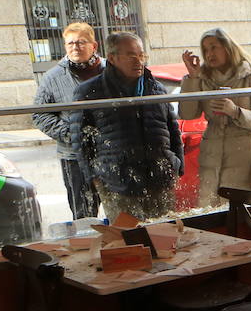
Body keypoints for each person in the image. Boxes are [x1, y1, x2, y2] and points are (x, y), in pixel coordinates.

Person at [72, 32, 184, 222]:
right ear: (113, 58)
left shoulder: (156, 89)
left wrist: (177, 165)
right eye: (131, 55)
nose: (138, 61)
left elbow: (173, 129)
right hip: (118, 183)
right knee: (128, 241)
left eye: (141, 55)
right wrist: (94, 177)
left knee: (166, 237)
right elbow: (80, 139)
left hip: (160, 179)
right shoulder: (89, 91)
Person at [178, 28, 251, 208]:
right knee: (212, 213)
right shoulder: (202, 78)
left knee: (242, 213)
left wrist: (236, 111)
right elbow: (187, 114)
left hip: (246, 157)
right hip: (212, 156)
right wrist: (192, 78)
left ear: (227, 47)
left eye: (213, 47)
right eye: (205, 50)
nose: (210, 54)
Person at [31, 21, 104, 219]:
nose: (75, 47)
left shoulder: (109, 71)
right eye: (70, 43)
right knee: (83, 215)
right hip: (74, 156)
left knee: (122, 211)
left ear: (93, 46)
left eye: (81, 42)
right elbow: (39, 114)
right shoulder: (53, 77)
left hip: (110, 153)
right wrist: (70, 133)